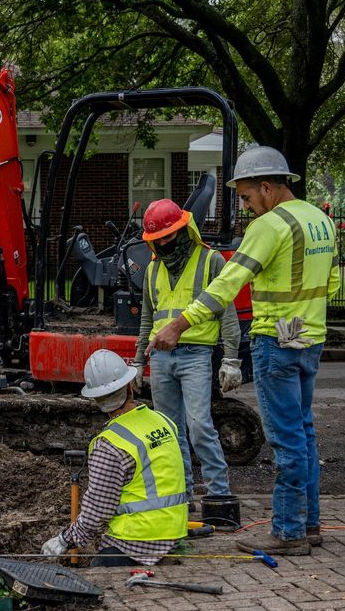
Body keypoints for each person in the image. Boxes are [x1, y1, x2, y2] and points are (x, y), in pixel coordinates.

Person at [146, 146, 340, 556]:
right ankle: (310, 525)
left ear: (267, 188)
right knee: (304, 433)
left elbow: (226, 286)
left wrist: (179, 324)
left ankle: (288, 533)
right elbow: (332, 284)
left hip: (276, 341)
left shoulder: (270, 226)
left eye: (248, 197)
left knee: (286, 441)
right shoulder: (321, 221)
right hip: (310, 338)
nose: (247, 206)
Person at [133, 199, 242, 506]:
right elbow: (147, 319)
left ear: (182, 230)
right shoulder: (153, 269)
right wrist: (139, 362)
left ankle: (218, 495)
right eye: (157, 240)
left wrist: (231, 359)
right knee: (169, 431)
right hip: (161, 357)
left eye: (168, 237)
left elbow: (227, 315)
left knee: (199, 426)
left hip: (196, 354)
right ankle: (181, 496)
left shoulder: (211, 261)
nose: (164, 244)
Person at [41, 349, 188, 566]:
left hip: (137, 541)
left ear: (97, 400)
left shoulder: (110, 444)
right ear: (130, 386)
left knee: (99, 572)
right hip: (175, 533)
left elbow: (97, 513)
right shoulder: (163, 421)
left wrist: (64, 540)